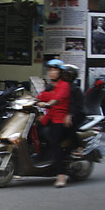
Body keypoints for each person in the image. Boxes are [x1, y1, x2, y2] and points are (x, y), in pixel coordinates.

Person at [36, 59, 71, 188]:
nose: (52, 72)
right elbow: (40, 96)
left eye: (55, 70)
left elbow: (58, 98)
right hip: (49, 116)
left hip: (60, 118)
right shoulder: (50, 85)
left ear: (60, 72)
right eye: (50, 70)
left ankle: (61, 174)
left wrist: (49, 103)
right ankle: (42, 158)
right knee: (34, 130)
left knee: (55, 142)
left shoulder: (64, 85)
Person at [61, 64, 85, 156]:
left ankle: (77, 146)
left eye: (67, 75)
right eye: (64, 75)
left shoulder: (76, 89)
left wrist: (70, 115)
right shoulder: (60, 87)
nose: (65, 77)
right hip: (64, 113)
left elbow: (78, 106)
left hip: (76, 113)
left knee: (69, 125)